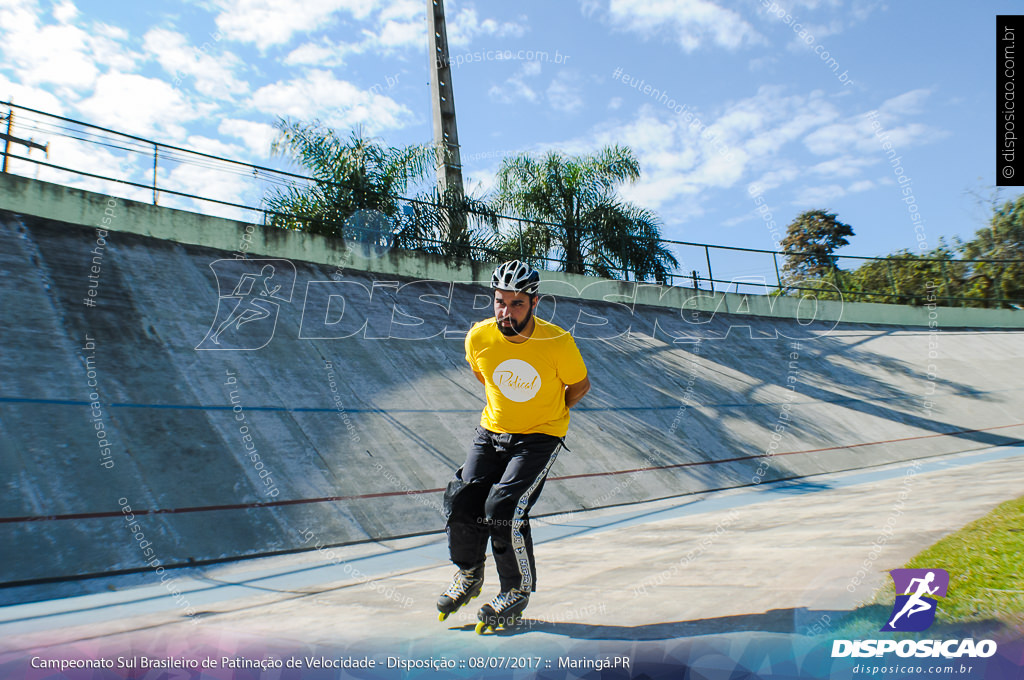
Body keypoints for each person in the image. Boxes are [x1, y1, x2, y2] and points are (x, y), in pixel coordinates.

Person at [437, 260, 591, 631]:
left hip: (539, 437)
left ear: (534, 304)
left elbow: (580, 386)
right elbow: (483, 375)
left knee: (503, 506)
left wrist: (549, 414)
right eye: (500, 302)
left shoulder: (557, 342)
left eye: (517, 304)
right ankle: (469, 573)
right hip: (491, 431)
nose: (507, 312)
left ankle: (515, 589)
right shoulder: (479, 337)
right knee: (462, 501)